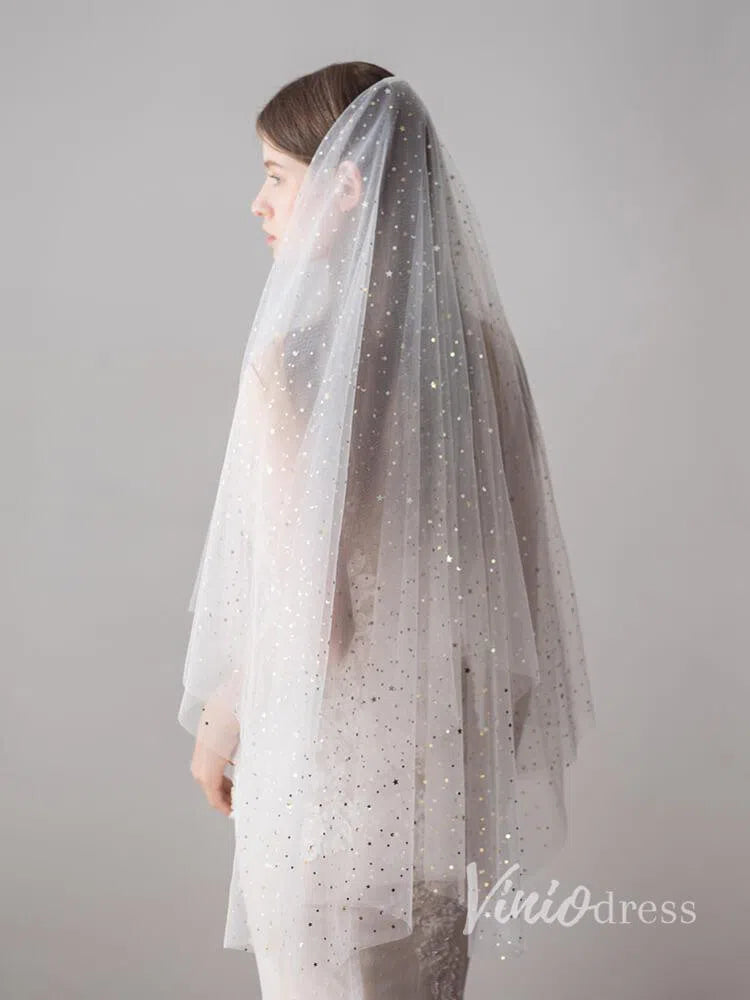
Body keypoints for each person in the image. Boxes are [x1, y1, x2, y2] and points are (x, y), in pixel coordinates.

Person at [178, 62, 595, 999]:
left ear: (347, 186)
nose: (257, 203)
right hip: (442, 782)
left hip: (326, 785)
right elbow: (517, 586)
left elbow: (306, 617)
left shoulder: (291, 365)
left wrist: (217, 722)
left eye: (276, 175)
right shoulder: (486, 355)